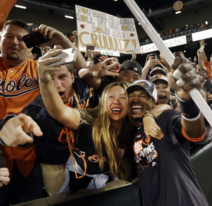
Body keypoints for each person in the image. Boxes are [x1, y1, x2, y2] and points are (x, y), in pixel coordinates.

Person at [37, 49, 168, 192]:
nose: (116, 102)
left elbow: (164, 107)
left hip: (109, 178)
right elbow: (59, 112)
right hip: (80, 179)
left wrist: (148, 116)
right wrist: (44, 80)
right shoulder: (90, 118)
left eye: (123, 97)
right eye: (111, 97)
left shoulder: (132, 122)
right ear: (104, 101)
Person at [0, 19, 86, 205]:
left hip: (30, 159)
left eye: (21, 39)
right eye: (8, 36)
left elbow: (81, 68)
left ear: (31, 47)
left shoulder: (41, 68)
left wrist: (62, 39)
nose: (14, 42)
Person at [127, 56, 209, 206]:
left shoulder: (166, 118)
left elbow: (193, 132)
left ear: (153, 102)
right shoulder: (133, 135)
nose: (136, 99)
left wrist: (186, 101)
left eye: (143, 96)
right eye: (131, 96)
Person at [21, 62, 95, 196]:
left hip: (83, 157)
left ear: (72, 78)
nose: (57, 85)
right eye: (50, 79)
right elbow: (27, 118)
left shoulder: (80, 87)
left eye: (62, 77)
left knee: (88, 195)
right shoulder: (39, 110)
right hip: (54, 164)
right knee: (59, 199)